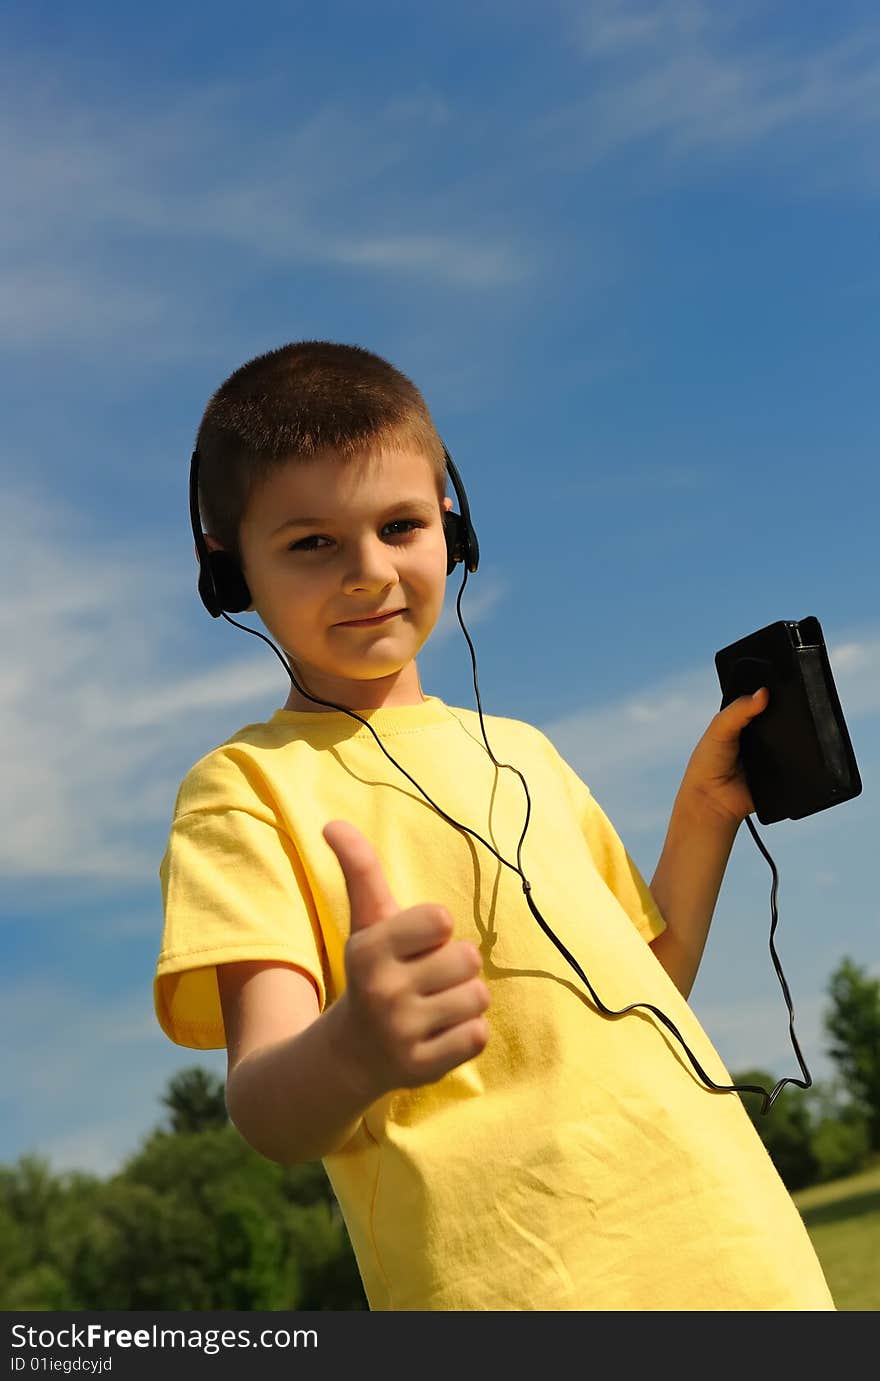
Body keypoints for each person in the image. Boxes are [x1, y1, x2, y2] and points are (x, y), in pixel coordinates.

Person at [154, 340, 834, 1311]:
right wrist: (355, 1045)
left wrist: (705, 810)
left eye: (399, 524)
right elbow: (264, 1103)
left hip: (737, 1251)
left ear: (452, 526)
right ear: (227, 569)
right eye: (311, 541)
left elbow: (648, 990)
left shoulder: (526, 752)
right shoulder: (243, 791)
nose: (366, 570)